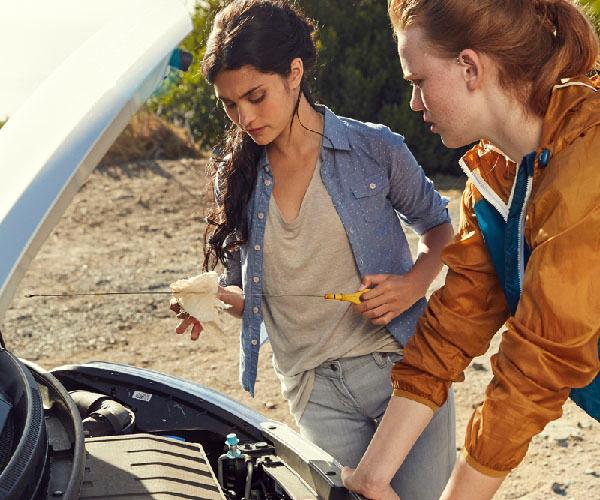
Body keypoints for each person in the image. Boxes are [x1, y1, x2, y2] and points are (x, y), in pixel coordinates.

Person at [171, 1, 456, 498]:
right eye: (230, 104)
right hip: (314, 391)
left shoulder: (375, 149)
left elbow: (439, 228)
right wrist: (213, 299)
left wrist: (413, 284)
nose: (245, 117)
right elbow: (251, 293)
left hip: (401, 369)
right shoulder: (234, 179)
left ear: (294, 73)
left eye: (256, 96)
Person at [341, 0, 600, 499]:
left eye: (418, 81)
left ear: (470, 67)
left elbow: (540, 359)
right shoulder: (496, 176)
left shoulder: (587, 159)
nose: (415, 103)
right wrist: (370, 477)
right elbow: (454, 326)